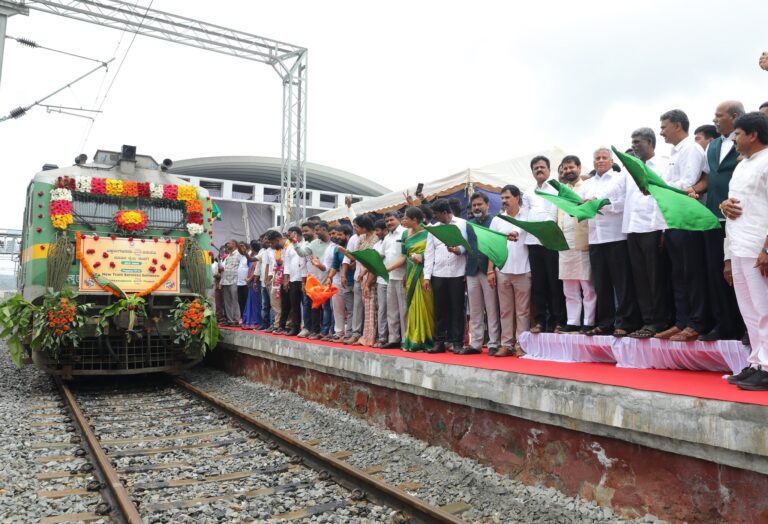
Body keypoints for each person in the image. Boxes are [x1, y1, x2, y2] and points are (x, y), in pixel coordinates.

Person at [690, 101, 746, 342]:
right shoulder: (712, 146)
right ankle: (723, 325)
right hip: (713, 217)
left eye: (719, 115)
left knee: (741, 273)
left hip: (739, 216)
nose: (714, 119)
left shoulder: (747, 143)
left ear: (734, 116)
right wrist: (692, 190)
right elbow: (708, 178)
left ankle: (745, 327)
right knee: (716, 272)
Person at [720, 112, 768, 390]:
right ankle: (757, 363)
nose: (734, 139)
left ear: (753, 134)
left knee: (764, 310)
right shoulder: (741, 166)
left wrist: (766, 248)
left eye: (737, 134)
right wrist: (722, 206)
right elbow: (733, 207)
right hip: (738, 246)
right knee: (749, 311)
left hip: (758, 247)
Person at [655, 109, 710, 342]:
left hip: (689, 220)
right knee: (678, 275)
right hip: (673, 220)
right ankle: (681, 322)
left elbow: (687, 184)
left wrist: (657, 186)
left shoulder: (691, 149)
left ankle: (697, 323)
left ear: (677, 125)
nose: (661, 132)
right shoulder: (674, 152)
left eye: (664, 127)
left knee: (692, 273)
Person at [580, 148, 640, 337]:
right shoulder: (587, 184)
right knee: (601, 283)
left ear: (611, 161)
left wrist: (602, 205)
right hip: (595, 238)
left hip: (615, 236)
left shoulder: (619, 178)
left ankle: (625, 322)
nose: (600, 160)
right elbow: (581, 205)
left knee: (622, 282)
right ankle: (605, 323)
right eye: (597, 158)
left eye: (604, 157)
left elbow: (623, 203)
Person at [623, 129, 671, 338]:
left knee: (656, 277)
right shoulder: (630, 169)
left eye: (637, 142)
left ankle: (660, 322)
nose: (633, 146)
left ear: (650, 142)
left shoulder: (663, 165)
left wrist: (665, 229)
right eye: (632, 142)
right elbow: (617, 194)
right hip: (632, 228)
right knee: (640, 278)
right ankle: (648, 321)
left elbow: (666, 197)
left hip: (653, 228)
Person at [525, 155, 566, 333]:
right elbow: (525, 215)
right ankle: (541, 321)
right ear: (532, 172)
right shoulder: (528, 192)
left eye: (542, 167)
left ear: (549, 170)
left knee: (554, 283)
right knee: (539, 283)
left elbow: (553, 213)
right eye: (536, 168)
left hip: (551, 241)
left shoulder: (556, 189)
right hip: (533, 241)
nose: (539, 170)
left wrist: (544, 229)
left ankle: (558, 321)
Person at [556, 156, 596, 334]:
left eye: (571, 167)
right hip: (564, 244)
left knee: (587, 286)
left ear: (579, 168)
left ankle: (589, 321)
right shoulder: (562, 191)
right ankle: (572, 321)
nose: (568, 171)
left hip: (582, 241)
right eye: (564, 169)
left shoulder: (587, 186)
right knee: (569, 287)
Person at [489, 185, 531, 357]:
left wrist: (516, 231)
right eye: (502, 198)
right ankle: (506, 344)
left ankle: (522, 344)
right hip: (503, 270)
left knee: (523, 311)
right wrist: (490, 270)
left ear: (517, 198)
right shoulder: (497, 220)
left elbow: (524, 231)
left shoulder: (527, 215)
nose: (504, 201)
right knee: (505, 310)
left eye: (507, 197)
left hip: (524, 269)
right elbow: (492, 246)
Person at [423, 198, 468, 353]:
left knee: (457, 309)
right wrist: (427, 277)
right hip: (438, 273)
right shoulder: (433, 229)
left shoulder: (462, 224)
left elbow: (468, 246)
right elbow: (429, 253)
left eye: (436, 214)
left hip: (458, 272)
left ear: (445, 212)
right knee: (439, 309)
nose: (435, 217)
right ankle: (439, 342)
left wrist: (459, 250)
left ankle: (457, 342)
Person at [465, 192, 501, 354]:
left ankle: (493, 343)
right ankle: (476, 344)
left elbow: (495, 246)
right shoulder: (469, 224)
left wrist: (491, 269)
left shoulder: (494, 221)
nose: (477, 207)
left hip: (489, 270)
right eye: (474, 205)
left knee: (492, 308)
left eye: (480, 204)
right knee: (475, 310)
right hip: (472, 270)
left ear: (488, 205)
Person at [400, 206, 434, 351]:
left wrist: (422, 257)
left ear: (414, 220)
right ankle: (413, 339)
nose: (403, 220)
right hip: (410, 272)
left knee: (426, 305)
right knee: (413, 305)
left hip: (424, 273)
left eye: (406, 218)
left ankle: (427, 339)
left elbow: (434, 252)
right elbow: (404, 256)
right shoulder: (404, 234)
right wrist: (403, 273)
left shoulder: (429, 232)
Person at [350, 214, 378, 346]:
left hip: (372, 274)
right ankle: (365, 335)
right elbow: (356, 257)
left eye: (357, 226)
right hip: (362, 274)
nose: (355, 229)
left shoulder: (376, 238)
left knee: (373, 306)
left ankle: (372, 337)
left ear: (364, 227)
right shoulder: (361, 238)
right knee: (366, 306)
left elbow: (373, 260)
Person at [382, 211, 408, 349]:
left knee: (404, 310)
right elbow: (382, 255)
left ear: (399, 219)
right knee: (392, 310)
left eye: (391, 220)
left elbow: (406, 255)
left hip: (402, 276)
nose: (389, 223)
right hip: (390, 277)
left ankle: (405, 339)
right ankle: (393, 339)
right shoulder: (387, 237)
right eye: (387, 221)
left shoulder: (405, 233)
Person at [276, 227, 305, 336]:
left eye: (289, 235)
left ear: (295, 233)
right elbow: (287, 264)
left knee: (306, 304)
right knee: (294, 305)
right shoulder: (290, 247)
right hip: (293, 279)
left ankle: (308, 327)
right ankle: (295, 327)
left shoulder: (305, 244)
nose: (288, 237)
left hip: (304, 278)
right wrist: (286, 279)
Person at [307, 222, 332, 340]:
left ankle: (326, 331)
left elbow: (330, 266)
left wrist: (320, 266)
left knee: (327, 307)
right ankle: (317, 330)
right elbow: (303, 253)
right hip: (317, 279)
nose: (316, 233)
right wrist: (295, 244)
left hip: (330, 279)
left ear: (324, 229)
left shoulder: (333, 245)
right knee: (316, 306)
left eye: (317, 230)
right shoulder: (314, 243)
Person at [295, 222, 316, 338]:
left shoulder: (319, 244)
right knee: (307, 304)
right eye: (303, 231)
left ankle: (318, 329)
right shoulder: (305, 245)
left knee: (319, 306)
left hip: (321, 278)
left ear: (314, 230)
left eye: (306, 231)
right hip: (309, 278)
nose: (304, 233)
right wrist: (304, 282)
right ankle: (307, 328)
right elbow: (303, 264)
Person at [372, 219, 389, 348]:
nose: (376, 233)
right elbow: (373, 264)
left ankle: (395, 337)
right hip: (381, 280)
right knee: (382, 308)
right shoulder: (377, 245)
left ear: (385, 230)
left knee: (395, 310)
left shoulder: (393, 239)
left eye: (378, 230)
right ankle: (382, 336)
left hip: (394, 278)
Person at [219, 239, 243, 326]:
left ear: (234, 244)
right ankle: (230, 320)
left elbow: (242, 266)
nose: (227, 244)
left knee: (234, 300)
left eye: (229, 243)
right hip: (225, 281)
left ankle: (236, 319)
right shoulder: (228, 255)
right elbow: (224, 267)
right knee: (227, 301)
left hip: (234, 280)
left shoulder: (239, 254)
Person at [241, 240, 263, 330]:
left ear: (252, 248)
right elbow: (250, 269)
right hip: (252, 282)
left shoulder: (256, 257)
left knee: (255, 303)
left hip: (255, 282)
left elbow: (255, 270)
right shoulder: (253, 257)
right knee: (251, 302)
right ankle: (250, 321)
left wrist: (249, 280)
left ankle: (255, 321)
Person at [236, 241, 250, 319]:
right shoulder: (241, 257)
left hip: (246, 283)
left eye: (242, 247)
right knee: (241, 301)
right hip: (239, 283)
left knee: (246, 301)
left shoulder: (249, 255)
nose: (240, 249)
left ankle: (247, 317)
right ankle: (243, 317)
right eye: (239, 248)